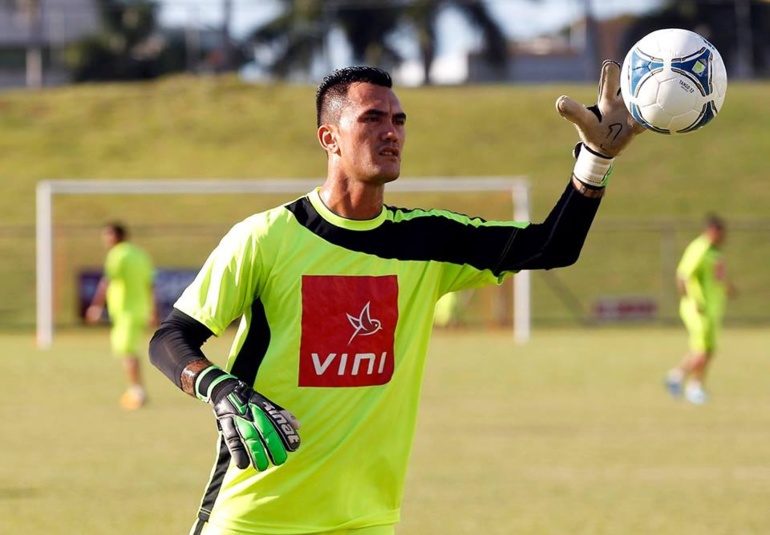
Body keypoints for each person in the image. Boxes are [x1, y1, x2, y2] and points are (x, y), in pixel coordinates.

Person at [149, 63, 645, 535]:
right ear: (330, 138)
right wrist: (216, 387)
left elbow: (551, 246)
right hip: (254, 516)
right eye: (372, 119)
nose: (392, 132)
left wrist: (596, 161)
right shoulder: (265, 238)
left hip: (365, 518)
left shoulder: (427, 241)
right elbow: (172, 337)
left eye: (399, 120)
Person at [665, 214, 735, 405]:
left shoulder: (715, 251)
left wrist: (728, 289)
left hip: (712, 309)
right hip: (698, 309)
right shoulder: (700, 248)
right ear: (711, 230)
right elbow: (683, 275)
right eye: (720, 232)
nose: (722, 236)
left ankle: (685, 382)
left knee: (709, 350)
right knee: (702, 350)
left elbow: (716, 279)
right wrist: (692, 301)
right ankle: (687, 384)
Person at [86, 222, 157, 410]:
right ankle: (137, 389)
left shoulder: (117, 254)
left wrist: (95, 306)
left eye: (108, 236)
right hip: (138, 309)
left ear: (118, 236)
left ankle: (137, 392)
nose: (106, 240)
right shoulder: (140, 254)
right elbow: (150, 284)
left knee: (128, 351)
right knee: (130, 351)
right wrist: (153, 310)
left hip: (126, 311)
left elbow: (107, 280)